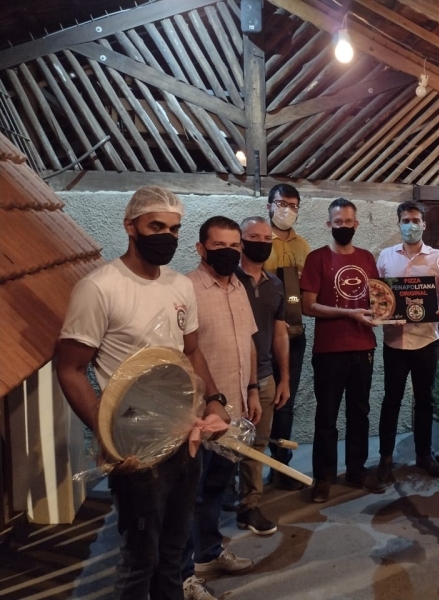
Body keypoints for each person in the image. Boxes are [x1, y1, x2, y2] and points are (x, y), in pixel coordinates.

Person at [56, 186, 230, 600]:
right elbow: (70, 368)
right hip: (134, 447)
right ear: (130, 226)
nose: (167, 236)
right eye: (156, 226)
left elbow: (191, 352)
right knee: (140, 558)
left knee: (174, 552)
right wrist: (109, 435)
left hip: (184, 435)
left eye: (174, 229)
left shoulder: (179, 286)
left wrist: (214, 401)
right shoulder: (99, 288)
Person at [181, 217, 260, 600]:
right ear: (201, 249)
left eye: (234, 246)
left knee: (216, 487)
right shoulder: (186, 290)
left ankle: (209, 553)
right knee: (190, 495)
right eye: (219, 246)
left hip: (236, 410)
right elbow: (184, 352)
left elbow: (248, 342)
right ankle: (183, 574)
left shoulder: (239, 286)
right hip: (200, 415)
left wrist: (252, 390)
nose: (228, 252)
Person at [300, 198, 386, 503]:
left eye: (349, 222)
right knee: (327, 416)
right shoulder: (316, 259)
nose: (344, 226)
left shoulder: (367, 258)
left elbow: (379, 300)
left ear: (356, 224)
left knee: (359, 413)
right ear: (329, 224)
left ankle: (356, 471)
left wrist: (386, 313)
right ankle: (323, 478)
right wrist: (349, 313)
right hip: (329, 350)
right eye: (338, 222)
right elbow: (308, 306)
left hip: (363, 347)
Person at [375, 201, 439, 483]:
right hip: (395, 343)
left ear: (423, 224)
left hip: (426, 341)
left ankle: (424, 455)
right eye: (405, 220)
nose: (410, 225)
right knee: (391, 400)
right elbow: (377, 295)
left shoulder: (438, 258)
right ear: (398, 223)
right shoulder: (385, 257)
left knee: (425, 400)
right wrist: (383, 312)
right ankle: (385, 458)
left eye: (415, 220)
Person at [235, 216, 292, 533]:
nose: (261, 242)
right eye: (254, 237)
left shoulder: (277, 285)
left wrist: (284, 378)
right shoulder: (227, 279)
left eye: (267, 238)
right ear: (241, 241)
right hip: (230, 379)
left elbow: (281, 333)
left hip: (265, 376)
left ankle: (249, 506)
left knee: (255, 446)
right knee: (222, 448)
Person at [264, 184, 311, 490]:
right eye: (282, 203)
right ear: (269, 205)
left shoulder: (303, 246)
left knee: (286, 402)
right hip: (260, 335)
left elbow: (307, 293)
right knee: (254, 402)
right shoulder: (255, 239)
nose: (287, 210)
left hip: (293, 333)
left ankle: (281, 467)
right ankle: (247, 470)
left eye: (293, 206)